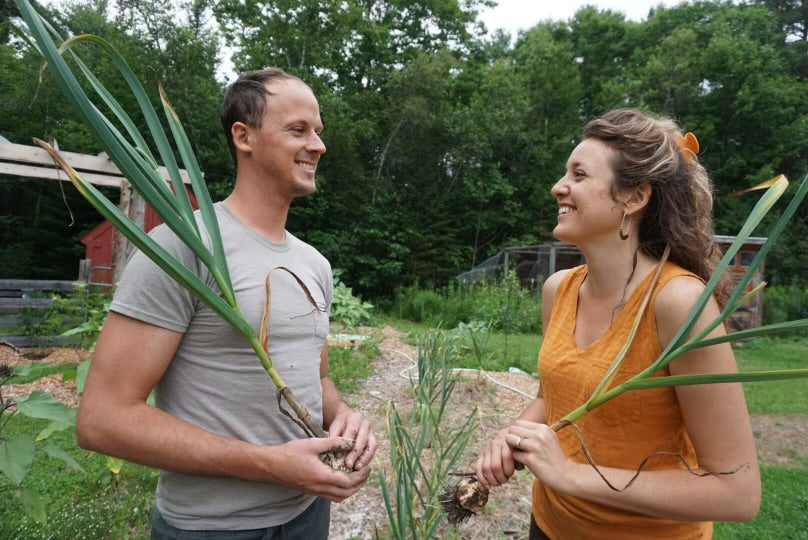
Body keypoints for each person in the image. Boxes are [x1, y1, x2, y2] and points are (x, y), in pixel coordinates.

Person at [77, 68, 377, 539]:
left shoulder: (314, 264)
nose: (318, 145)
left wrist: (343, 416)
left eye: (318, 132)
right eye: (298, 130)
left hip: (308, 516)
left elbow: (315, 380)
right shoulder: (183, 248)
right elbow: (103, 419)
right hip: (211, 529)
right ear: (244, 136)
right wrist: (269, 465)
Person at [475, 109, 760, 539]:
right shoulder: (559, 289)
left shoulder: (679, 303)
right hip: (550, 524)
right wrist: (513, 436)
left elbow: (737, 492)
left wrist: (573, 475)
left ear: (634, 197)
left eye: (579, 174)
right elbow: (551, 399)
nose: (558, 187)